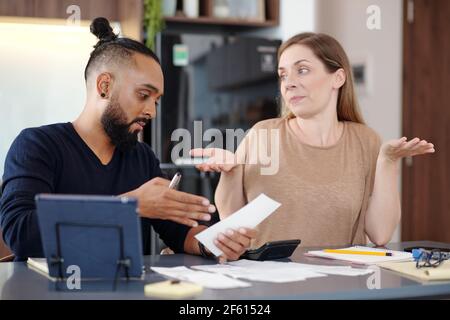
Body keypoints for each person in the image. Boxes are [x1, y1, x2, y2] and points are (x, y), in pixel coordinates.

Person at [0, 17, 256, 262]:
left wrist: (213, 241)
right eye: (143, 95)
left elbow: (179, 234)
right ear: (104, 87)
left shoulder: (142, 158)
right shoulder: (37, 145)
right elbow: (20, 233)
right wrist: (128, 205)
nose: (152, 111)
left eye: (156, 101)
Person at [191, 32, 435, 249]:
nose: (289, 83)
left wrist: (388, 162)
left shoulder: (365, 141)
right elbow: (231, 222)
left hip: (340, 287)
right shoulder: (262, 134)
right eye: (283, 75)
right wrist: (231, 172)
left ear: (338, 78)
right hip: (267, 285)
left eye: (303, 70)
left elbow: (380, 233)